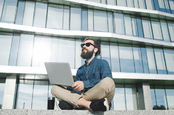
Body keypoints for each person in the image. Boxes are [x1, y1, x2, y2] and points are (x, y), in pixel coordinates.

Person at [51, 38, 115, 111]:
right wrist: (71, 86)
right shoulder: (80, 70)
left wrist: (85, 84)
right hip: (84, 96)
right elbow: (78, 92)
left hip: (98, 95)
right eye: (83, 45)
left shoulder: (102, 63)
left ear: (95, 49)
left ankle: (75, 103)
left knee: (108, 82)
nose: (84, 46)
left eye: (88, 45)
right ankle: (88, 104)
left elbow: (107, 81)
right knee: (55, 89)